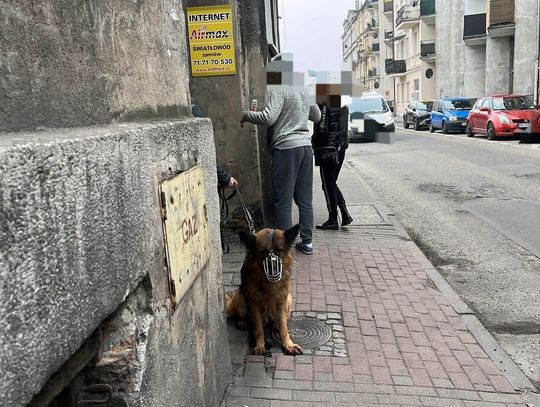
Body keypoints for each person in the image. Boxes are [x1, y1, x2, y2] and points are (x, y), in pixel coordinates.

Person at [240, 54, 321, 255]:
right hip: (305, 147)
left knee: (283, 201)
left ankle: (283, 247)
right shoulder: (304, 88)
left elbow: (269, 117)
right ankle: (308, 242)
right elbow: (317, 116)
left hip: (286, 148)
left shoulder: (280, 88)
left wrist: (247, 115)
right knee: (305, 200)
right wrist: (300, 112)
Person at [311, 93, 353, 230]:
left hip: (327, 149)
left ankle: (333, 219)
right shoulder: (343, 104)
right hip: (340, 149)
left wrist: (312, 140)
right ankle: (345, 213)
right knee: (331, 183)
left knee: (328, 184)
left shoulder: (323, 104)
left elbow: (322, 130)